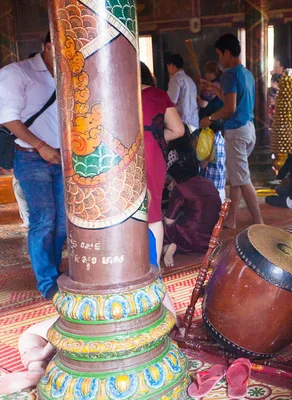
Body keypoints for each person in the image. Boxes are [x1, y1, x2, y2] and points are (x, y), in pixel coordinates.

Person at [0, 230, 178, 395]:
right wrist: (171, 317)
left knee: (30, 335)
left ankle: (36, 372)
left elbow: (92, 313)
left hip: (113, 319)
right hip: (149, 313)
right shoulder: (142, 230)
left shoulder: (90, 238)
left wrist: (43, 352)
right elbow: (155, 279)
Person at [0, 33, 63, 299]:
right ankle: (47, 282)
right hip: (30, 157)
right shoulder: (17, 72)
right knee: (43, 221)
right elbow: (8, 119)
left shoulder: (67, 74)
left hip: (62, 158)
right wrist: (40, 146)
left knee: (62, 223)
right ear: (48, 46)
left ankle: (56, 271)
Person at [199, 33, 263, 229]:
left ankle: (259, 222)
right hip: (249, 129)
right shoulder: (246, 73)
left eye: (219, 55)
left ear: (227, 53)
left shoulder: (229, 74)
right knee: (237, 177)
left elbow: (229, 108)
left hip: (236, 131)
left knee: (243, 179)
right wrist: (215, 88)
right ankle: (232, 219)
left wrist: (209, 119)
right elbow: (232, 100)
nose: (219, 60)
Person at [140, 61, 185, 266]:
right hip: (153, 152)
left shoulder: (116, 93)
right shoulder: (158, 94)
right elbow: (178, 130)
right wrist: (155, 136)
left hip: (120, 152)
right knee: (154, 210)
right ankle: (154, 265)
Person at [162, 160, 222, 268]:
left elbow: (168, 220)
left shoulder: (181, 188)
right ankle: (169, 248)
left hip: (190, 236)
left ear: (177, 177)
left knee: (157, 229)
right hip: (210, 238)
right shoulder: (208, 182)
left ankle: (168, 247)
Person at [198, 61, 226, 203]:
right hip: (215, 128)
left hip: (212, 127)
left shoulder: (215, 87)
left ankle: (214, 202)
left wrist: (200, 93)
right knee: (216, 165)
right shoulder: (219, 85)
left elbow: (203, 103)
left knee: (209, 163)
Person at [166, 54, 199, 128]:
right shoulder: (190, 80)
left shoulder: (175, 79)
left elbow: (171, 102)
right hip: (194, 122)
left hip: (182, 122)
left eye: (168, 66)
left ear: (171, 65)